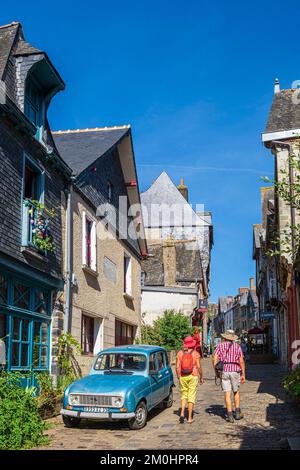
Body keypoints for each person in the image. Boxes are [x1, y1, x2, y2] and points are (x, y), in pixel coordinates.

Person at [212, 329, 246, 423]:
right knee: (236, 391)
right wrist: (243, 374)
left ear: (225, 337)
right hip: (235, 370)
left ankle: (230, 415)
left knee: (227, 393)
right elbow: (241, 361)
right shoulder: (237, 346)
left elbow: (214, 358)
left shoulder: (220, 346)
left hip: (224, 371)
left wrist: (216, 372)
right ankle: (238, 413)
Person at [176, 336, 204, 424]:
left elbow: (177, 367)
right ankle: (189, 418)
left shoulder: (180, 353)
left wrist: (178, 376)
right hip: (193, 375)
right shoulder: (196, 354)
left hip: (183, 376)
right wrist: (201, 376)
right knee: (191, 396)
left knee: (184, 395)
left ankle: (182, 413)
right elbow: (199, 367)